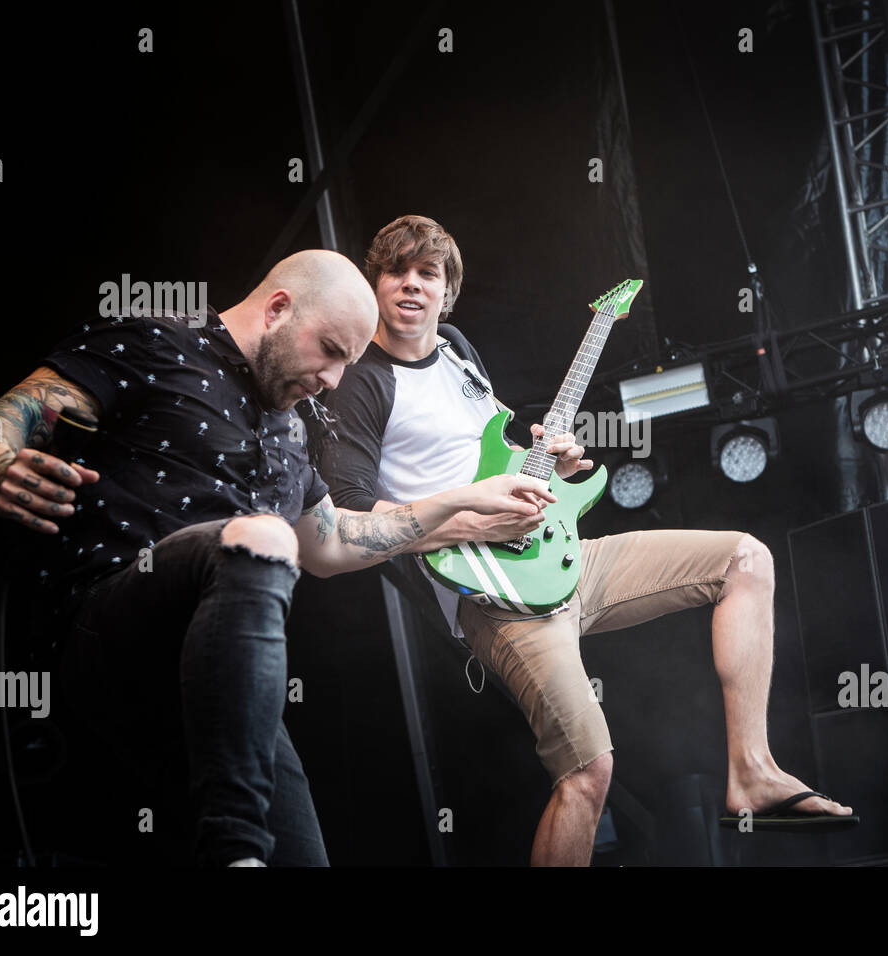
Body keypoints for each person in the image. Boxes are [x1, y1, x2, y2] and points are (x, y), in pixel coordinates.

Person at [0, 249, 554, 866]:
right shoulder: (160, 341)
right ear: (277, 310)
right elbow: (3, 416)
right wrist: (0, 464)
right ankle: (237, 852)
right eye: (329, 350)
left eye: (347, 363)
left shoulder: (292, 428)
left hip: (225, 675)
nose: (333, 379)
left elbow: (335, 541)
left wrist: (462, 506)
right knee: (264, 536)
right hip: (108, 630)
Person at [313, 216, 857, 866]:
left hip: (564, 556)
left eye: (426, 273)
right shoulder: (364, 385)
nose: (410, 285)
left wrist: (551, 460)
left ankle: (754, 774)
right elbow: (350, 518)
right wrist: (466, 516)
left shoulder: (456, 349)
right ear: (374, 284)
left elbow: (494, 452)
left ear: (447, 291)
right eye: (395, 271)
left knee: (745, 558)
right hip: (495, 595)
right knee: (588, 771)